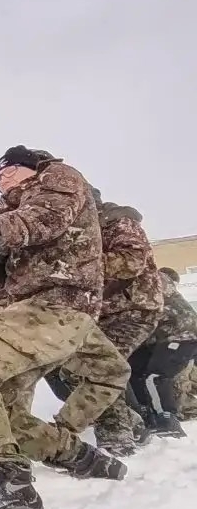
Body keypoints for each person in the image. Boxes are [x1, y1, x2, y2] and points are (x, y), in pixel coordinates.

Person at [0, 147, 131, 509]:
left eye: (9, 172)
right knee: (2, 410)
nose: (2, 181)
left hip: (56, 305)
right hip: (25, 313)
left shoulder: (58, 180)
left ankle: (11, 482)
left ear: (30, 167)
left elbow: (44, 218)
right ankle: (81, 458)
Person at [44, 195, 163, 456]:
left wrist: (79, 265)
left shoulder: (117, 222)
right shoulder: (74, 231)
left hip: (132, 309)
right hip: (99, 313)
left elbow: (131, 261)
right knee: (70, 370)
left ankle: (116, 437)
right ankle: (133, 423)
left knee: (99, 367)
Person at [129, 267, 197, 437]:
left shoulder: (143, 279)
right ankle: (147, 414)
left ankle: (166, 419)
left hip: (177, 334)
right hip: (170, 335)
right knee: (135, 369)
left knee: (155, 376)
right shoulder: (149, 277)